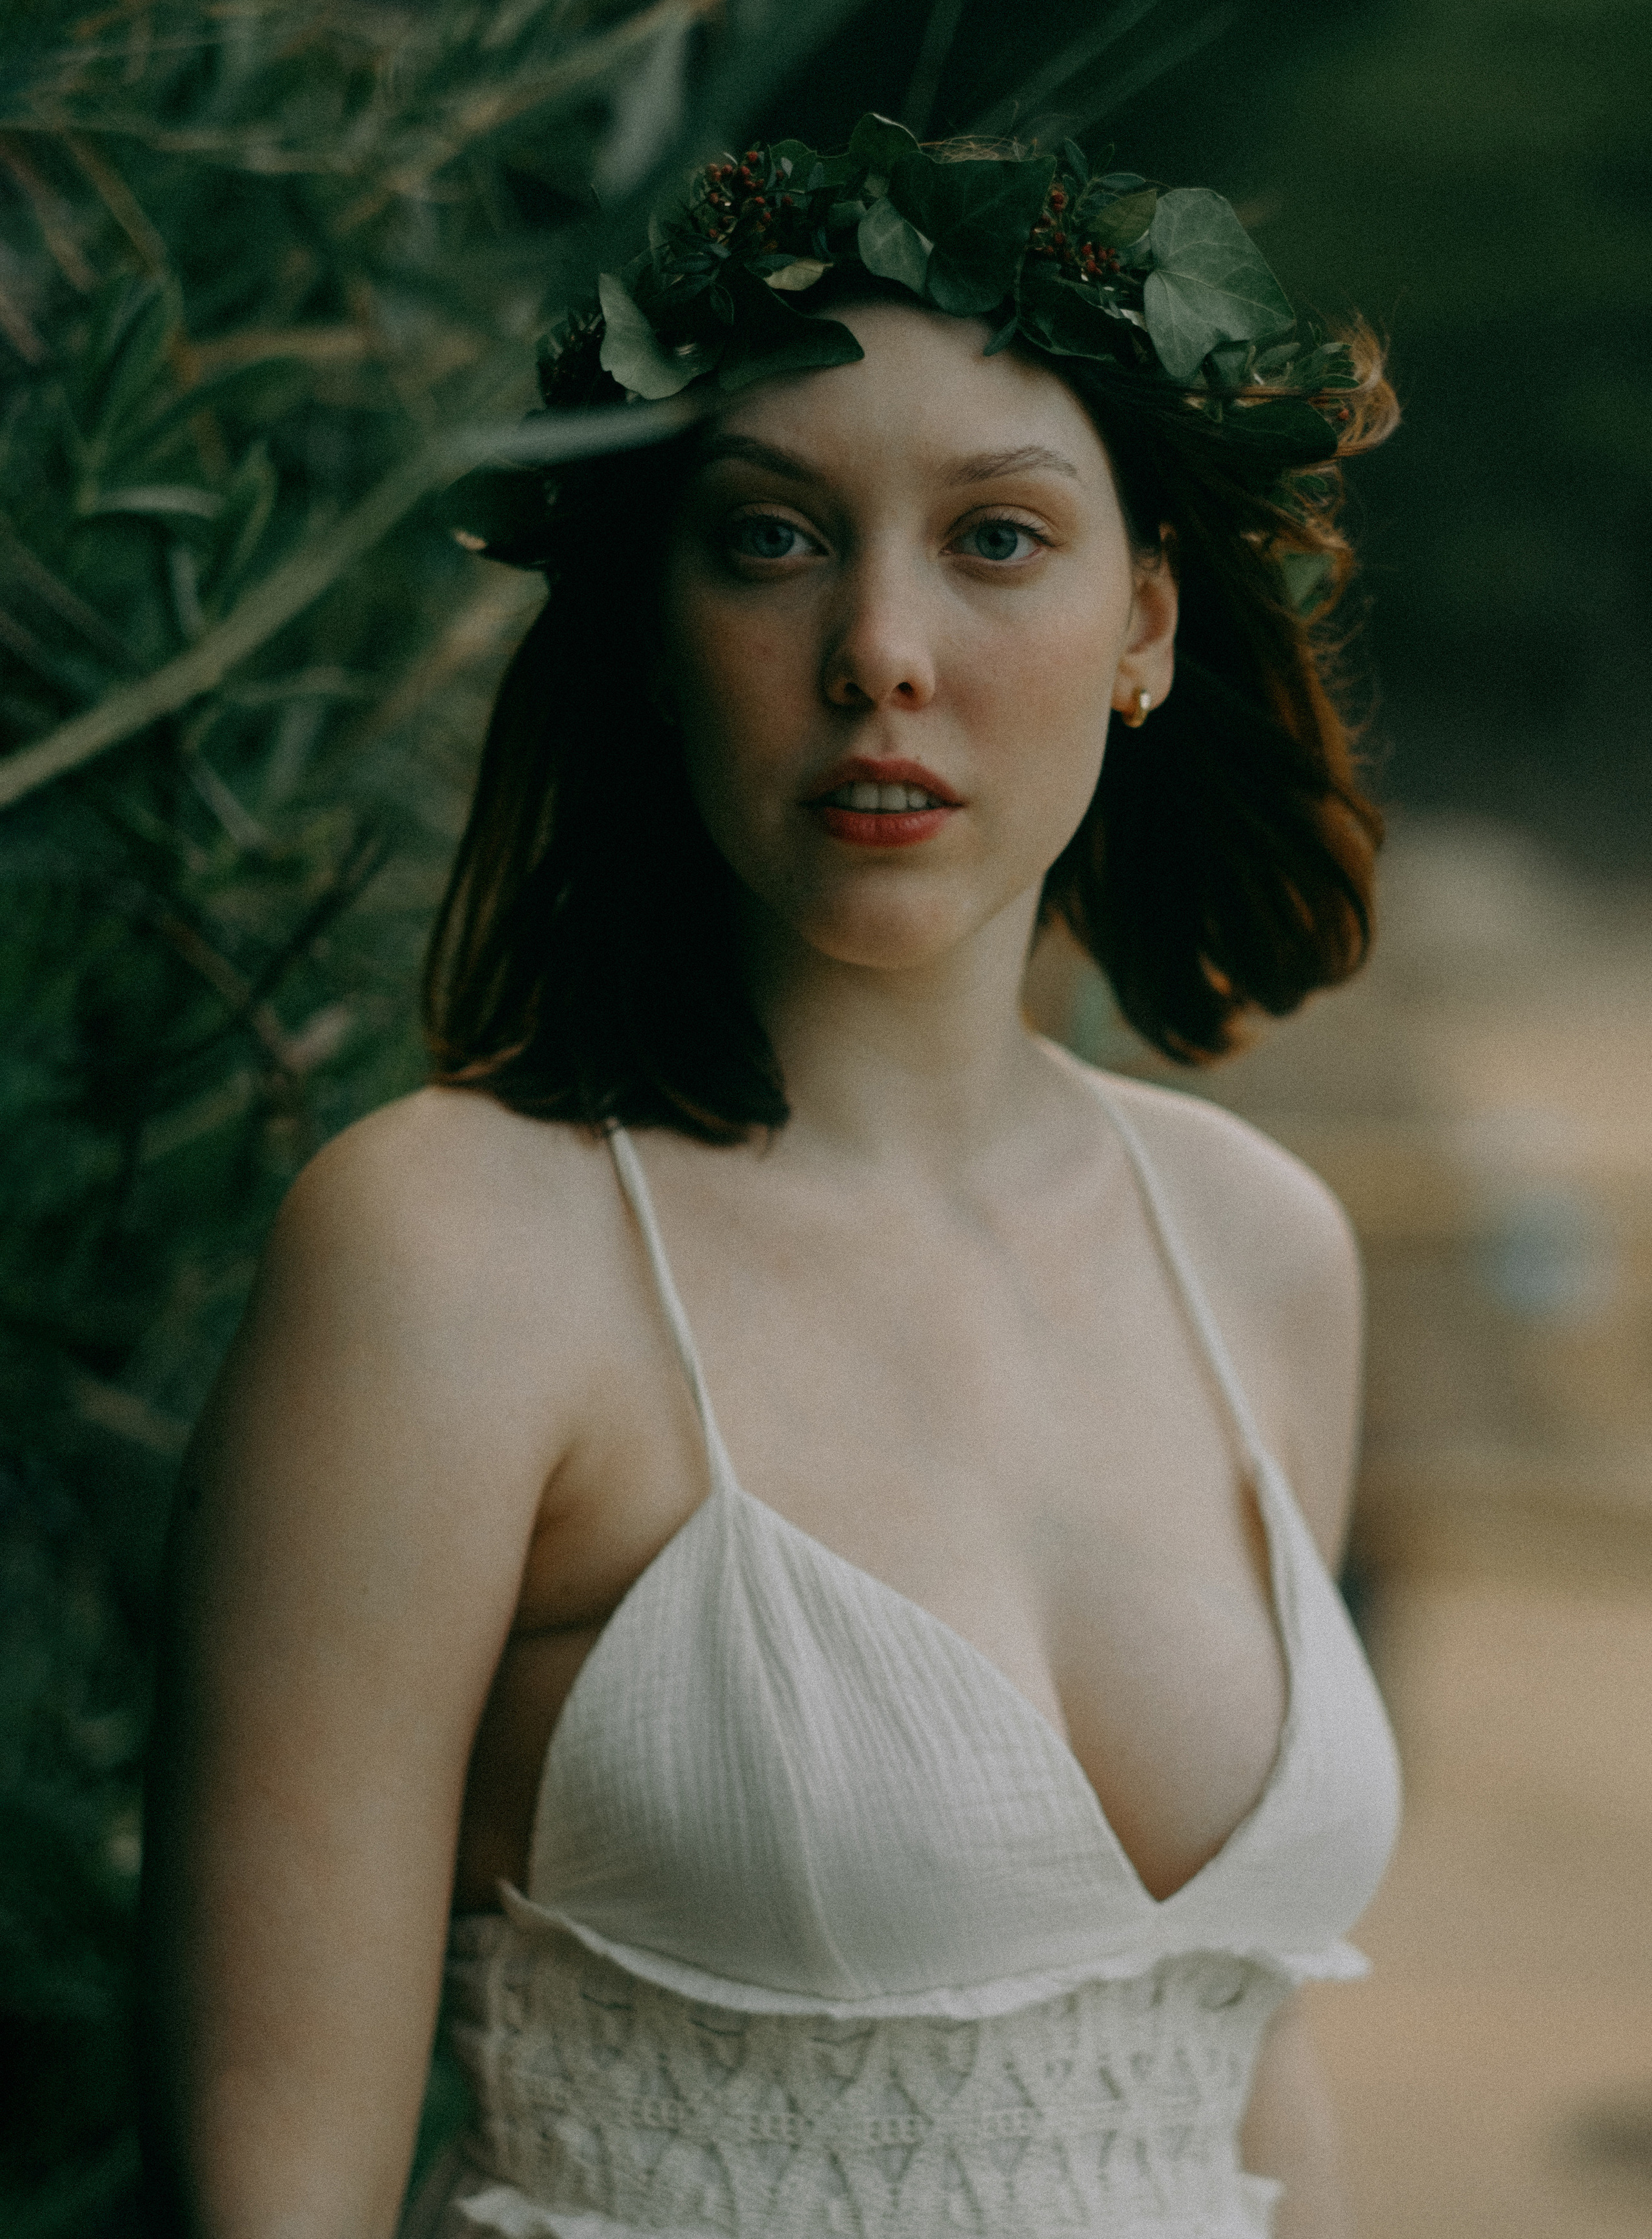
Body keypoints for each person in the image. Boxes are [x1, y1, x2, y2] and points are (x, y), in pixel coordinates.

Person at [140, 122, 1403, 2239]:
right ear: (651, 627)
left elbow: (1251, 2093)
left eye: (997, 539)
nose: (883, 650)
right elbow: (274, 2190)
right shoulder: (450, 1251)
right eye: (770, 540)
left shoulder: (1261, 1251)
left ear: (1149, 625)